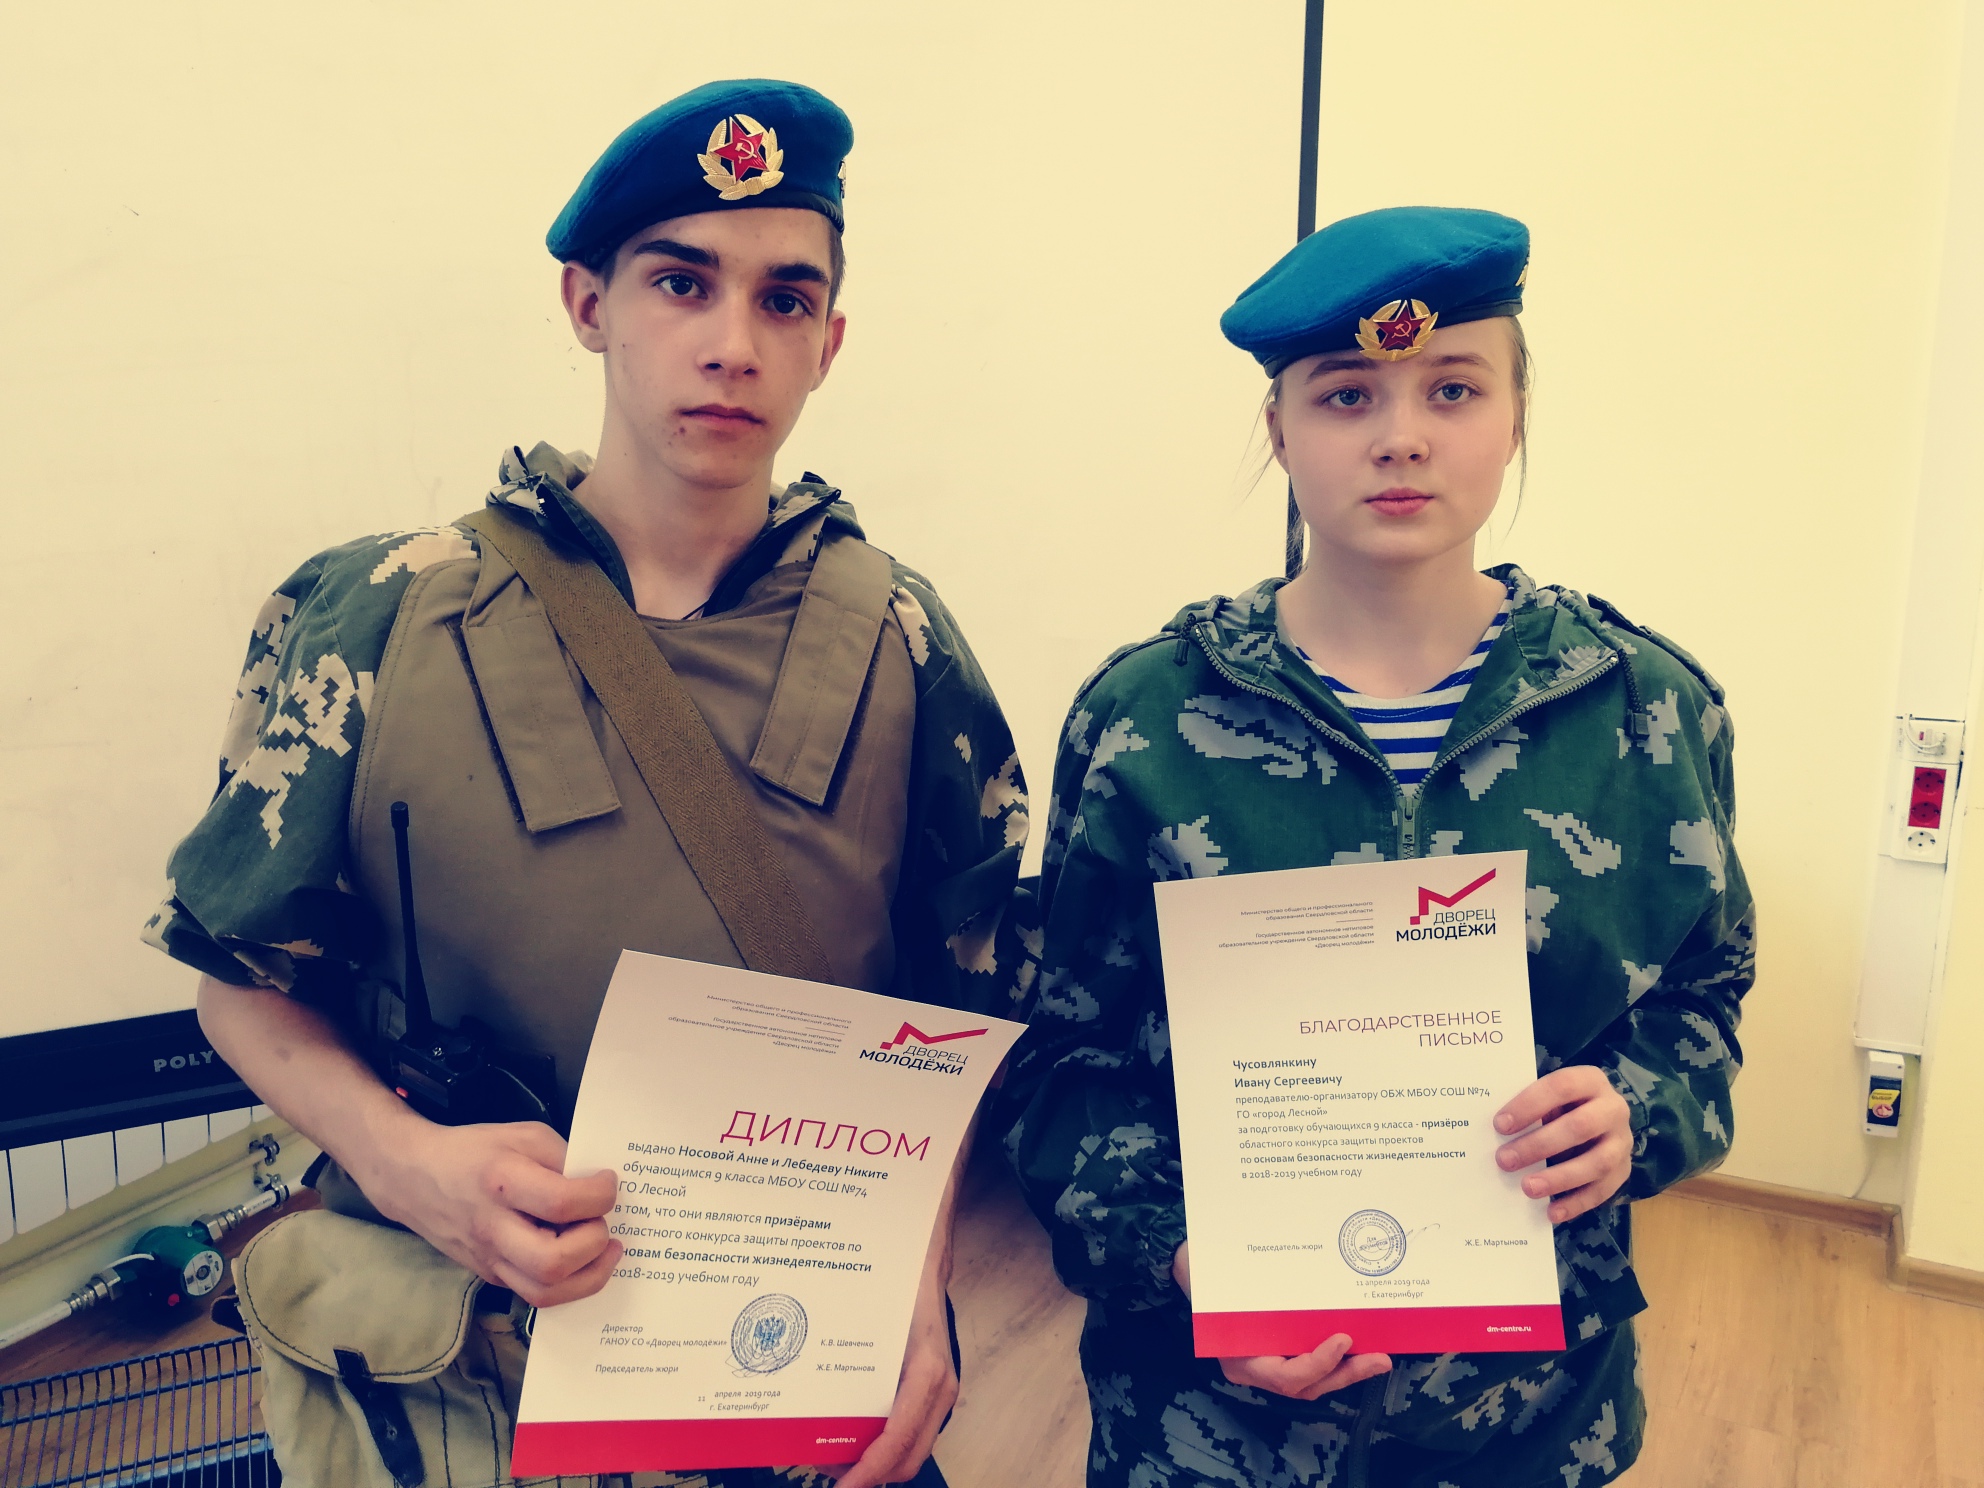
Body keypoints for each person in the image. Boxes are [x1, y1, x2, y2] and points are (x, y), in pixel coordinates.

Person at [143, 79, 1033, 1488]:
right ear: (587, 304)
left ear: (829, 343)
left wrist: (919, 1282)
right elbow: (240, 980)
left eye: (785, 300)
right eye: (681, 282)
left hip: (791, 1383)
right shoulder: (380, 617)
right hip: (472, 1390)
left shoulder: (906, 645)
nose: (732, 344)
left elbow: (953, 1015)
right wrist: (407, 1165)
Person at [1001, 206, 1753, 1487]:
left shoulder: (1644, 710)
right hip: (1209, 1418)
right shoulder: (1146, 720)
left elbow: (1704, 997)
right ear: (1278, 428)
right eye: (1346, 394)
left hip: (1525, 1420)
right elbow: (1065, 1054)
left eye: (1452, 388)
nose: (1401, 436)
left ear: (1515, 414)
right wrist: (1179, 1256)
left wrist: (1638, 1113)